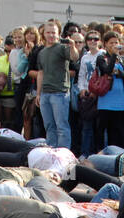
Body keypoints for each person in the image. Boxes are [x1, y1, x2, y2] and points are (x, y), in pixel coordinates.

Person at [32, 19, 73, 150]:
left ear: (58, 33)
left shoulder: (62, 48)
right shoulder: (42, 52)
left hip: (60, 93)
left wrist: (72, 46)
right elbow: (40, 73)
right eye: (48, 32)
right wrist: (38, 93)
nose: (51, 35)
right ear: (43, 34)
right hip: (45, 94)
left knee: (62, 126)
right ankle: (51, 152)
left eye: (53, 32)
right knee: (49, 126)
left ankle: (64, 154)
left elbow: (74, 57)